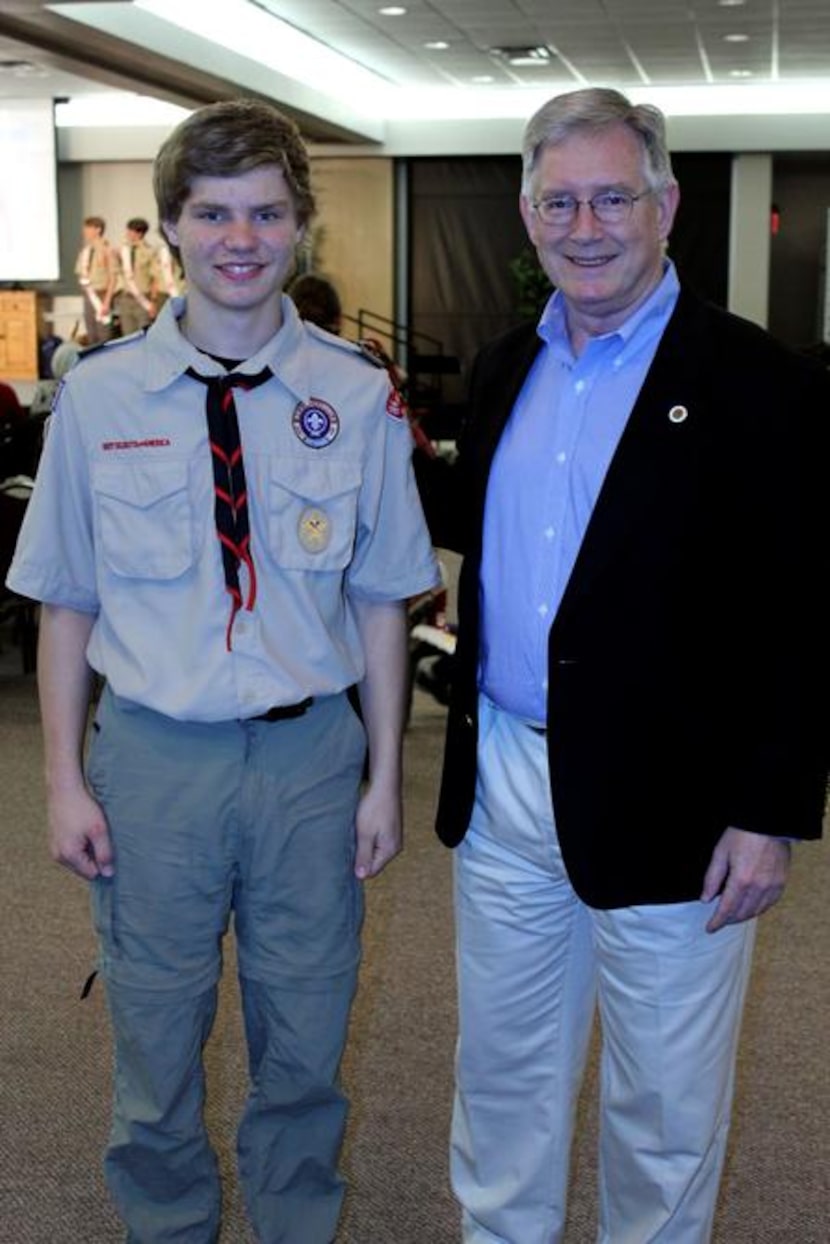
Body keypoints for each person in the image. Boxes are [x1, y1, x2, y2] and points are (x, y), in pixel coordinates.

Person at [7, 97, 438, 1244]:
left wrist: (385, 775)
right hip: (153, 761)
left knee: (304, 1034)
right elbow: (65, 601)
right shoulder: (97, 399)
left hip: (309, 757)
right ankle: (169, 1226)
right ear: (171, 228)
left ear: (299, 227)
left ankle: (296, 1222)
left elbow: (381, 599)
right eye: (212, 213)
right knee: (154, 1033)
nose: (240, 237)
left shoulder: (355, 393)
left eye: (265, 211)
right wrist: (62, 778)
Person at [427, 87, 829, 1244]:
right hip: (505, 776)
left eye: (612, 196)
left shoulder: (763, 383)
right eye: (559, 199)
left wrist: (769, 809)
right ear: (524, 211)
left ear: (664, 205)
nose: (584, 223)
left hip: (679, 800)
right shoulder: (502, 366)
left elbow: (806, 613)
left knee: (660, 1105)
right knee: (499, 1071)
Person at [74, 215, 117, 344]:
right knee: (92, 335)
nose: (85, 232)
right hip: (89, 296)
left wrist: (107, 302)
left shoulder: (107, 250)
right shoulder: (85, 251)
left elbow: (113, 277)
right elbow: (80, 273)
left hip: (102, 296)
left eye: (88, 228)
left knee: (103, 337)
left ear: (98, 230)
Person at [114, 216, 158, 335]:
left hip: (143, 298)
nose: (127, 234)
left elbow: (155, 278)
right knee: (127, 337)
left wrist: (153, 301)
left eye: (130, 231)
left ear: (139, 233)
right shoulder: (123, 251)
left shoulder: (150, 251)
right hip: (126, 298)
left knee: (143, 335)